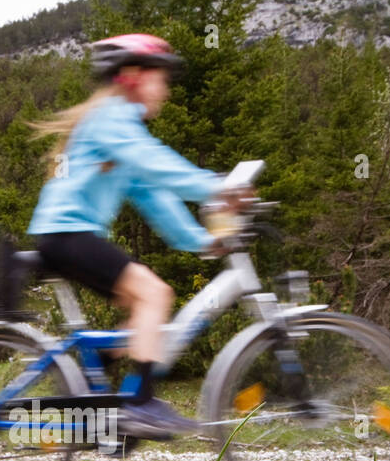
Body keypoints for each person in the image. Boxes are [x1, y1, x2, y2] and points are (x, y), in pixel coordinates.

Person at [27, 33, 251, 438]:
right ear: (132, 76)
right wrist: (218, 188)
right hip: (67, 234)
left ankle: (104, 383)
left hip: (67, 236)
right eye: (160, 79)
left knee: (142, 313)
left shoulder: (116, 128)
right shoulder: (113, 118)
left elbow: (154, 196)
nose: (164, 90)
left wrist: (200, 240)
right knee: (155, 294)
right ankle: (140, 404)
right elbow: (158, 165)